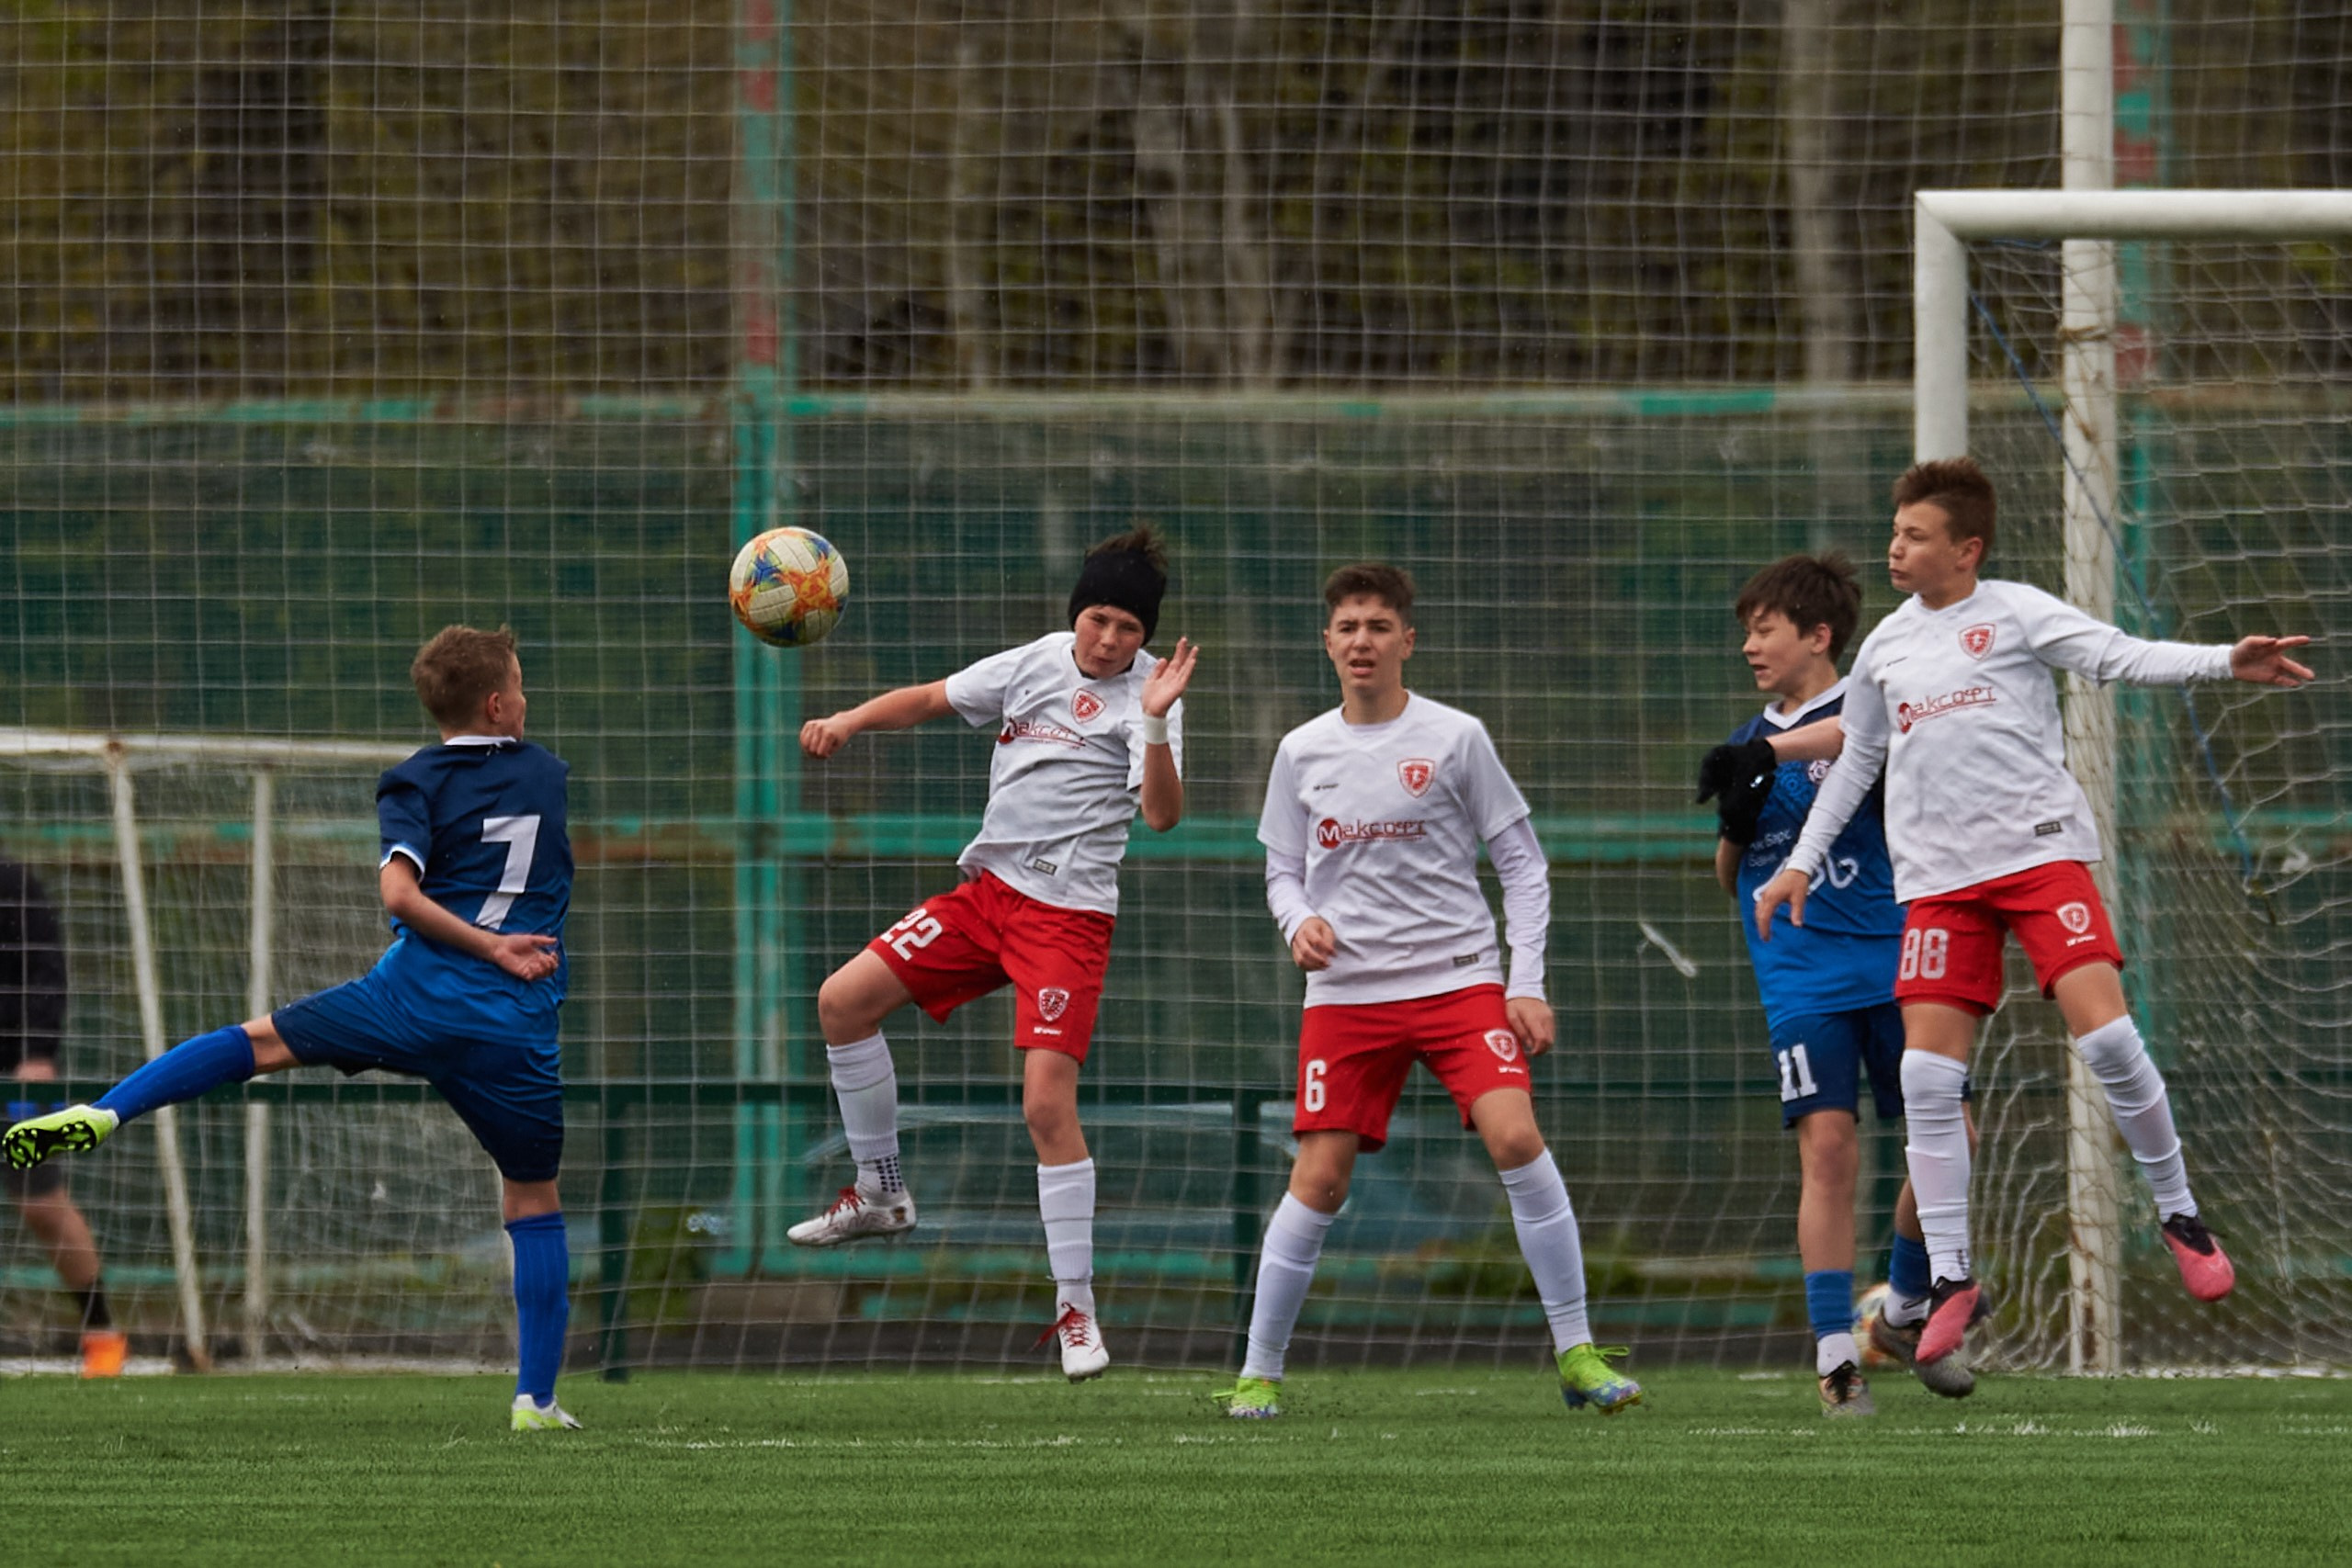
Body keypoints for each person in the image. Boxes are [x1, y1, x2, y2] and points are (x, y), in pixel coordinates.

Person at [1754, 457, 2312, 1369]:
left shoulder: (2015, 612)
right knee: (1928, 1080)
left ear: (1966, 550)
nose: (1896, 547)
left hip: (2038, 859)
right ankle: (1950, 1276)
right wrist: (1798, 866)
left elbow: (2118, 654)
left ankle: (2178, 1212)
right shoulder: (1886, 647)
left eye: (1916, 535)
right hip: (1939, 885)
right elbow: (1856, 761)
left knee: (2109, 1042)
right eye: (1895, 532)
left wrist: (2224, 660)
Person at [5, 626, 582, 1430]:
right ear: (495, 704)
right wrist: (498, 946)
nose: (524, 699)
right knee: (532, 1198)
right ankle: (535, 1399)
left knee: (258, 1042)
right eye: (517, 686)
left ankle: (106, 1111)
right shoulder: (548, 774)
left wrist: (473, 940)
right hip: (511, 1022)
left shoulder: (411, 780)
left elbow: (400, 895)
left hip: (408, 999)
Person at [1217, 563, 1639, 1420]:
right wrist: (1298, 921)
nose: (1362, 641)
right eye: (1348, 627)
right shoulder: (1301, 750)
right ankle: (1258, 1373)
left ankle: (1577, 1351)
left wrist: (1526, 982)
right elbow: (1282, 872)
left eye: (1379, 626)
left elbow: (1523, 865)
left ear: (1407, 640)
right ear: (1327, 642)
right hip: (1346, 995)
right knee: (1320, 1179)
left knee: (1515, 1136)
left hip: (1457, 980)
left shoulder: (1456, 737)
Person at [784, 526, 1198, 1382]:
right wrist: (850, 720)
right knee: (841, 1001)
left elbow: (1162, 815)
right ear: (1077, 613)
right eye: (1098, 618)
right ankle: (880, 1189)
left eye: (1128, 627)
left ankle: (1075, 1310)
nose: (1109, 639)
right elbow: (930, 699)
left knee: (1045, 1105)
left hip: (1066, 921)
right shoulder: (1036, 661)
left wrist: (1156, 721)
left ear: (1145, 635)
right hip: (986, 900)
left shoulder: (1150, 695)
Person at [1696, 554, 1972, 1414]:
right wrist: (1736, 821)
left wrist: (1766, 754)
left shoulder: (1870, 703)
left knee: (1954, 1133)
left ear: (1818, 636)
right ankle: (1834, 1356)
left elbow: (1859, 741)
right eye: (1747, 631)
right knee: (1828, 1150)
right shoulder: (1749, 737)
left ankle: (1902, 1303)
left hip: (1895, 955)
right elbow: (1732, 876)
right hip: (1801, 975)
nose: (1750, 645)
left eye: (1765, 629)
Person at [1, 855, 129, 1378]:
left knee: (42, 1203)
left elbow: (48, 970)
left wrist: (37, 1051)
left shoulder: (13, 884)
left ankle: (102, 1334)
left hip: (15, 1072)